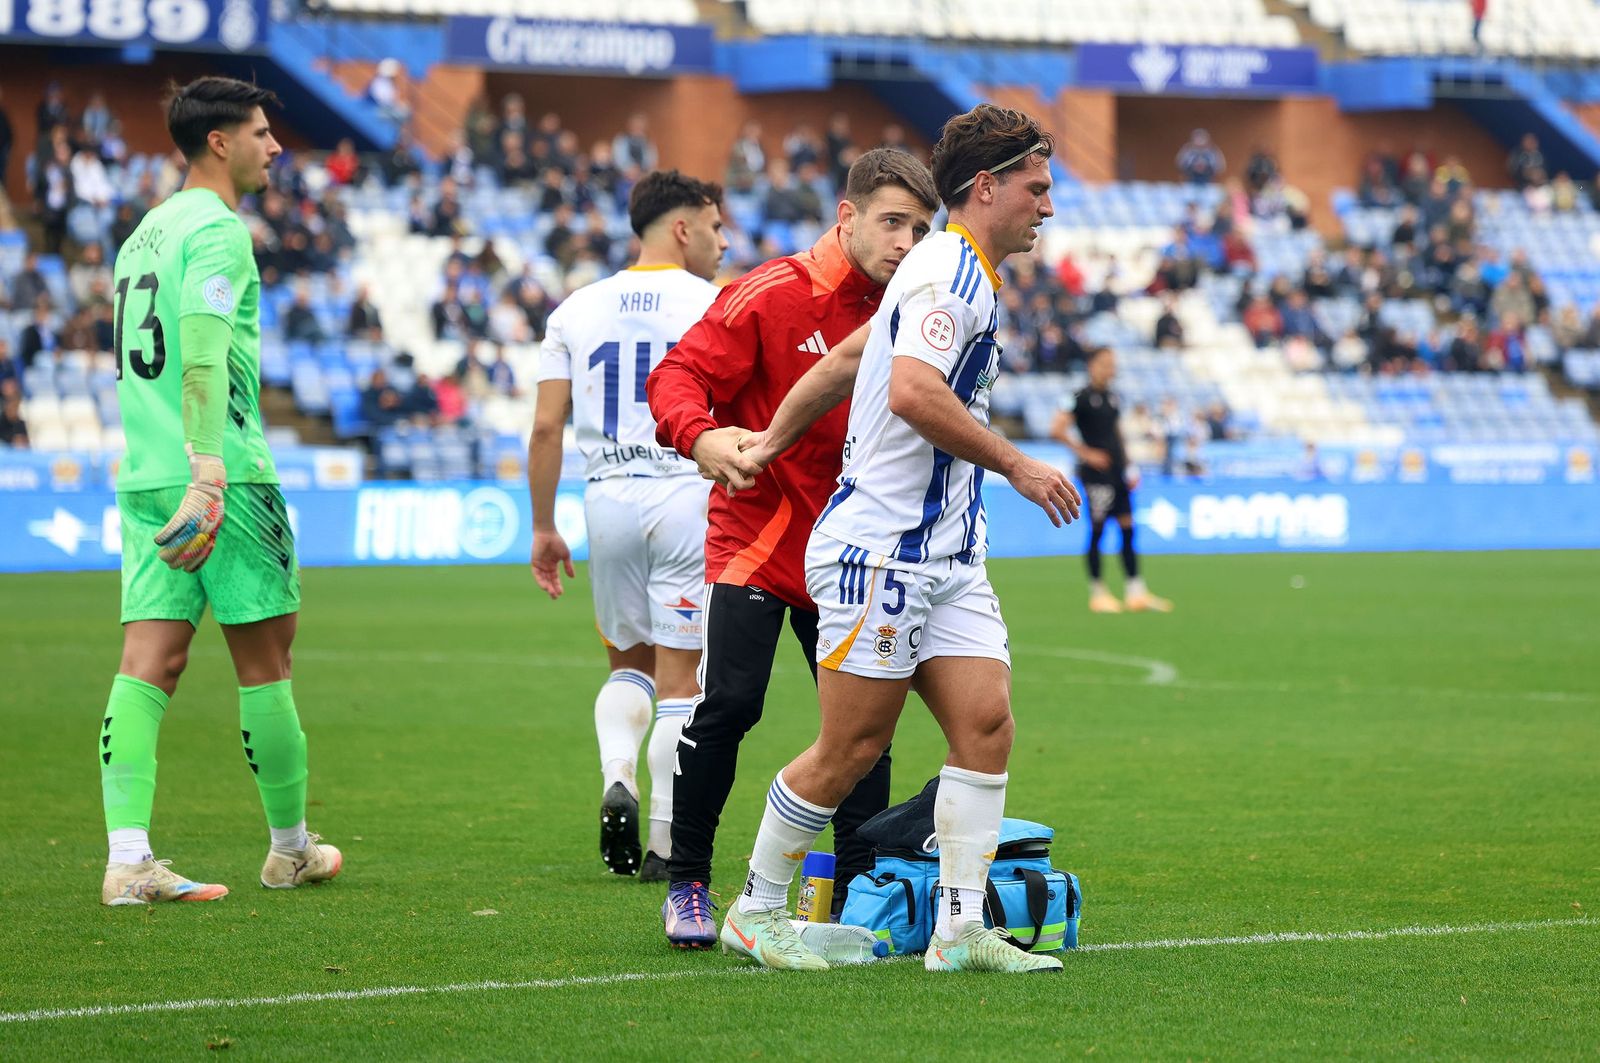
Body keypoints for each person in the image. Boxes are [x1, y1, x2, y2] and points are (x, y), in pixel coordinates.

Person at [718, 104, 1080, 973]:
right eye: (1037, 186)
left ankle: (958, 930)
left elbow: (849, 360)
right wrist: (1020, 467)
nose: (1049, 205)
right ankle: (757, 910)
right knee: (850, 748)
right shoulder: (949, 272)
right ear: (988, 187)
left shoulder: (950, 270)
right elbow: (914, 391)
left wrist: (769, 439)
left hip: (948, 558)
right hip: (880, 550)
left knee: (986, 724)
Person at [645, 148, 937, 948]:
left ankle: (855, 885)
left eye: (920, 226)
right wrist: (701, 438)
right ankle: (689, 884)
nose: (907, 241)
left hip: (854, 550)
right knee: (732, 701)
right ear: (846, 217)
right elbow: (676, 376)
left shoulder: (915, 305)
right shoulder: (772, 293)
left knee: (862, 726)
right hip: (760, 537)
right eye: (891, 222)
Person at [98, 77, 341, 906]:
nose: (275, 147)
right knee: (266, 660)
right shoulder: (219, 230)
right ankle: (290, 849)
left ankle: (127, 859)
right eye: (263, 133)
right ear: (220, 143)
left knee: (147, 663)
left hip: (145, 472)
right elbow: (200, 355)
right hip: (221, 472)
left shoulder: (142, 235)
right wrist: (209, 465)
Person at [528, 170, 728, 881]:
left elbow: (548, 425)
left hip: (606, 495)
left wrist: (544, 525)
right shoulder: (714, 303)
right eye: (713, 227)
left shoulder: (575, 309)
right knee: (682, 677)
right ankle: (669, 844)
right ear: (681, 228)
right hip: (685, 492)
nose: (722, 241)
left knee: (626, 663)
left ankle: (620, 774)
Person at [1053, 347, 1173, 615]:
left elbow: (1116, 433)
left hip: (1117, 472)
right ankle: (1097, 593)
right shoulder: (1078, 397)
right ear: (1091, 365)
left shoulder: (1113, 397)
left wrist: (1128, 465)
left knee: (1128, 528)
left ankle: (1136, 591)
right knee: (1097, 530)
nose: (1111, 369)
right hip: (1095, 475)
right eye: (1106, 363)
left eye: (1113, 364)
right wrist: (1087, 454)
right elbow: (1056, 429)